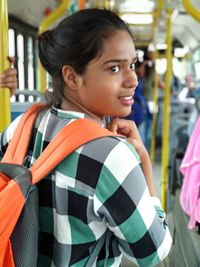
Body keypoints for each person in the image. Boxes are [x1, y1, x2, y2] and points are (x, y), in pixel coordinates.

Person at [0, 8, 172, 266]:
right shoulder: (111, 156)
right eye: (114, 68)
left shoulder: (20, 127)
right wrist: (143, 162)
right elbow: (152, 252)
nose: (133, 79)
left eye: (132, 64)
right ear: (71, 77)